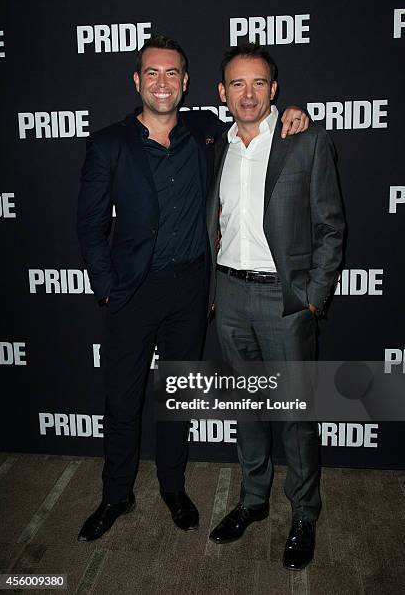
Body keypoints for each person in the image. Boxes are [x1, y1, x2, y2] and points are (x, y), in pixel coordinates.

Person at [76, 34, 310, 542]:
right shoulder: (109, 143)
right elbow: (90, 224)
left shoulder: (207, 131)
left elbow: (259, 117)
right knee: (122, 402)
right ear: (138, 82)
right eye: (151, 73)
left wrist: (295, 110)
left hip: (190, 291)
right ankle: (116, 494)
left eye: (172, 74)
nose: (162, 83)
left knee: (176, 399)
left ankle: (172, 487)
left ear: (186, 84)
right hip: (131, 293)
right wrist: (108, 289)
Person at [207, 43, 345, 570]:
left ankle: (304, 512)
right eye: (237, 84)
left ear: (274, 89)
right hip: (231, 295)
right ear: (221, 93)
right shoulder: (213, 146)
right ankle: (252, 500)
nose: (248, 93)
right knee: (247, 409)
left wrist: (313, 297)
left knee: (294, 417)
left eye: (258, 83)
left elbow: (331, 224)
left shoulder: (303, 140)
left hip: (285, 301)